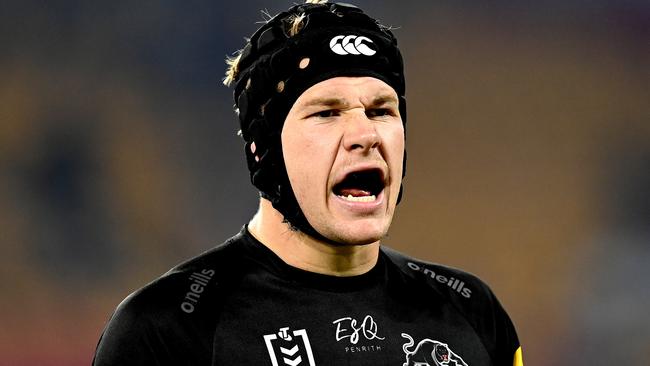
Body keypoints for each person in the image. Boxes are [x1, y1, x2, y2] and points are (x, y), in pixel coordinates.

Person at [93, 1, 523, 365]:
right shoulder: (168, 330)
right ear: (264, 149)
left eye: (381, 110)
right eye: (326, 112)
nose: (365, 135)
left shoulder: (472, 313)